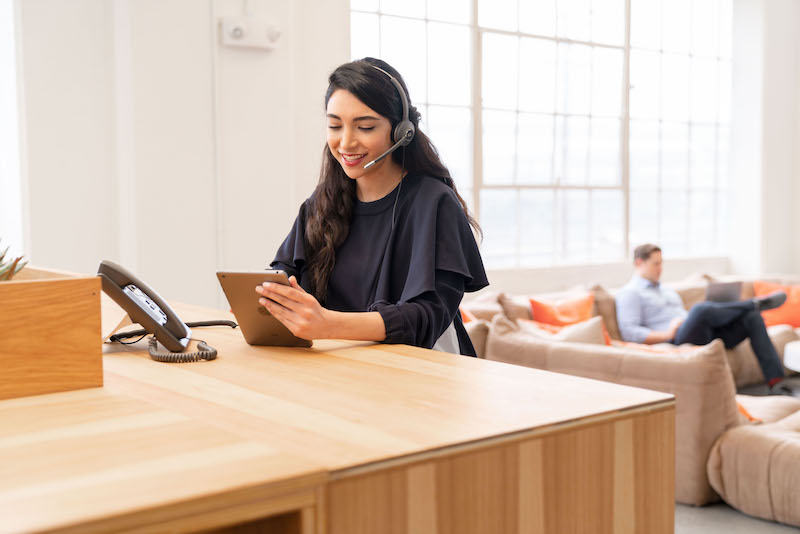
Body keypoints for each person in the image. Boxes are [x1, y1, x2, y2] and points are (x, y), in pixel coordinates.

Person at [256, 58, 488, 356]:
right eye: (335, 126)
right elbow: (283, 273)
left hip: (422, 373)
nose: (346, 142)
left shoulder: (434, 203)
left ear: (400, 131)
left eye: (364, 127)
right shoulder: (320, 204)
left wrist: (329, 324)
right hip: (343, 370)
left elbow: (427, 317)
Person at [616, 244, 792, 395]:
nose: (660, 268)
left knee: (752, 317)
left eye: (661, 263)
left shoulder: (666, 290)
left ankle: (776, 383)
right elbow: (630, 332)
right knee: (700, 309)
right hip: (676, 337)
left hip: (703, 331)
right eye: (655, 264)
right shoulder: (630, 293)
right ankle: (752, 303)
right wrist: (667, 333)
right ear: (639, 263)